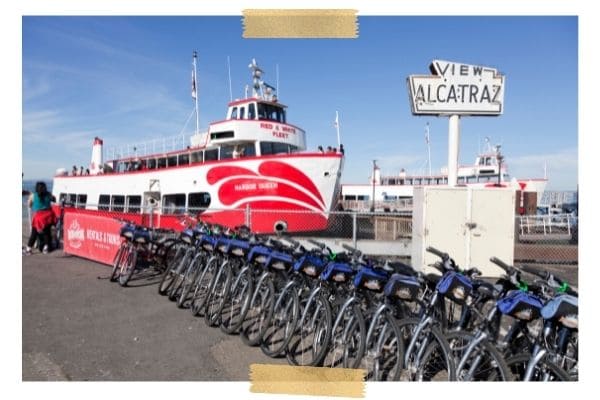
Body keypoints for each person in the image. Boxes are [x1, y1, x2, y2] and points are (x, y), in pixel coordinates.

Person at [24, 181, 57, 255]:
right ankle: (46, 248)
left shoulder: (33, 195)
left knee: (34, 233)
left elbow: (29, 204)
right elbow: (54, 199)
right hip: (48, 216)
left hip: (38, 217)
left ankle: (28, 249)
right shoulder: (49, 195)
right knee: (47, 232)